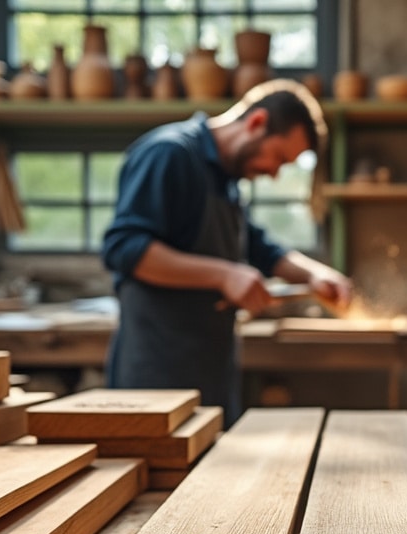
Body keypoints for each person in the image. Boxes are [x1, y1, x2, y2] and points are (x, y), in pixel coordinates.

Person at [101, 79, 352, 424]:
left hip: (209, 371)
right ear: (257, 123)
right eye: (279, 158)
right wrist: (224, 275)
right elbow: (125, 248)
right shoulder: (169, 154)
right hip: (156, 375)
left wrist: (314, 275)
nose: (274, 173)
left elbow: (260, 249)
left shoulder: (225, 179)